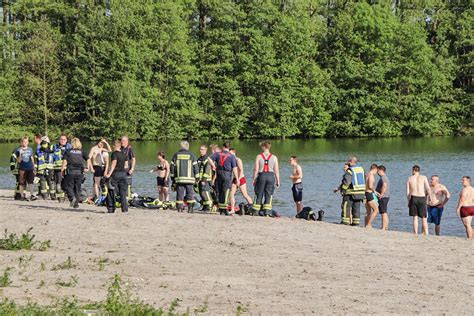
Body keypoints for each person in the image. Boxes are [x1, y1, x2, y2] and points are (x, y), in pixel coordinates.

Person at [252, 141, 280, 216]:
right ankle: (267, 212)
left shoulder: (259, 156)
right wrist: (278, 180)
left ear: (263, 147)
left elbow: (256, 169)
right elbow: (276, 170)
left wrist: (254, 179)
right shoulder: (274, 157)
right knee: (269, 194)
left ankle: (256, 211)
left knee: (259, 193)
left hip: (261, 176)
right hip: (271, 176)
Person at [170, 141, 199, 213]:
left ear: (180, 146)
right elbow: (196, 167)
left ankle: (179, 208)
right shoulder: (192, 155)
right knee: (190, 194)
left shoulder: (176, 155)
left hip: (179, 179)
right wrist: (197, 177)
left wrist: (172, 178)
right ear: (188, 146)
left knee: (180, 194)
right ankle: (190, 209)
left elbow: (172, 168)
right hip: (190, 179)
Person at [210, 142, 239, 215]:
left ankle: (221, 209)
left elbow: (209, 158)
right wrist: (237, 178)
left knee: (220, 191)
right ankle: (224, 208)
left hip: (219, 173)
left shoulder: (218, 154)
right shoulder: (231, 156)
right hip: (227, 174)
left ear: (223, 147)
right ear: (229, 147)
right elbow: (235, 168)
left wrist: (213, 165)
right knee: (226, 191)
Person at [61, 138, 90, 209]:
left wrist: (62, 170)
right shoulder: (82, 151)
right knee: (77, 188)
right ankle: (76, 204)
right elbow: (88, 159)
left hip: (70, 171)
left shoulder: (68, 151)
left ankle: (72, 198)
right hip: (80, 172)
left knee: (66, 186)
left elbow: (65, 162)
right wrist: (88, 167)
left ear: (72, 144)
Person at [105, 139, 129, 213]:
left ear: (115, 146)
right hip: (123, 174)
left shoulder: (114, 154)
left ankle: (111, 208)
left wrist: (109, 174)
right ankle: (124, 208)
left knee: (111, 190)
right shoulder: (124, 154)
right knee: (123, 193)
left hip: (115, 174)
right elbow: (126, 166)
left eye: (113, 145)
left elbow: (113, 164)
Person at [340, 157, 365, 226]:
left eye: (348, 161)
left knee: (346, 206)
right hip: (360, 193)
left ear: (350, 162)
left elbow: (347, 182)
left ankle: (345, 221)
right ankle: (356, 222)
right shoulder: (361, 169)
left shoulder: (350, 170)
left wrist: (343, 190)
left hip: (350, 192)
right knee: (356, 207)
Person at [406, 165, 430, 235]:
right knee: (424, 217)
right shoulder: (423, 177)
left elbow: (407, 192)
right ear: (419, 171)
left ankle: (415, 233)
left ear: (413, 170)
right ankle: (426, 233)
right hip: (422, 197)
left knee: (415, 217)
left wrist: (408, 201)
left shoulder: (409, 178)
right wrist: (430, 197)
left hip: (413, 198)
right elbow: (428, 188)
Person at [229, 148, 253, 213]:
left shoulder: (238, 160)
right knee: (231, 194)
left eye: (231, 154)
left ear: (234, 153)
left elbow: (241, 170)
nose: (230, 155)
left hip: (241, 179)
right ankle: (232, 209)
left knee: (244, 194)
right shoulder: (231, 160)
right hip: (235, 179)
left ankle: (251, 207)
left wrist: (238, 179)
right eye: (229, 154)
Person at [52, 135, 72, 202]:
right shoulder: (54, 147)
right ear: (59, 140)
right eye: (61, 139)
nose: (63, 141)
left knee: (68, 183)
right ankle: (60, 198)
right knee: (58, 183)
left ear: (66, 140)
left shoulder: (70, 147)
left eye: (64, 139)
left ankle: (67, 196)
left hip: (67, 168)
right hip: (58, 168)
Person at [16, 137, 37, 201]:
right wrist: (20, 154)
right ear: (21, 142)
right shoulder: (18, 150)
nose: (24, 143)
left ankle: (32, 195)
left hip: (30, 168)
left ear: (28, 142)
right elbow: (18, 161)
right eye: (23, 142)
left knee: (31, 182)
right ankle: (22, 196)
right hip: (22, 168)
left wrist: (34, 167)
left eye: (26, 142)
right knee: (22, 183)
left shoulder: (30, 149)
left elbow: (32, 158)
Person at [196, 145, 214, 212]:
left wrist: (204, 179)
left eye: (202, 149)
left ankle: (209, 206)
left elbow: (207, 169)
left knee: (205, 193)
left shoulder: (207, 159)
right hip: (200, 180)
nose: (200, 151)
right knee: (201, 193)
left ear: (205, 150)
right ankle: (204, 206)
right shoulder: (199, 159)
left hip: (206, 180)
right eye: (200, 149)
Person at [364, 164, 380, 228]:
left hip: (365, 193)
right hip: (369, 194)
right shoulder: (371, 175)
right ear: (375, 169)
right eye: (377, 171)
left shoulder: (367, 174)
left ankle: (366, 225)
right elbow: (370, 186)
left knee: (368, 211)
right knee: (376, 210)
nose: (376, 173)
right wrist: (375, 191)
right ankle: (369, 224)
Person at [375, 165, 390, 231]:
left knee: (383, 212)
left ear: (381, 170)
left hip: (383, 197)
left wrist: (381, 194)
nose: (377, 172)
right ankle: (386, 227)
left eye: (378, 171)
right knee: (384, 212)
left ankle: (383, 227)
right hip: (385, 196)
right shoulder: (384, 177)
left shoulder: (383, 178)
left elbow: (385, 185)